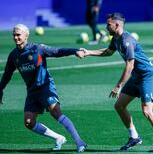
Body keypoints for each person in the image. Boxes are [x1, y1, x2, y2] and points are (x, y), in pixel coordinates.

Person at [82, 13, 153, 152]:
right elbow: (108, 52)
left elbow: (130, 65)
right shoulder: (116, 39)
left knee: (147, 111)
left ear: (117, 25)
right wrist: (88, 52)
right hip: (136, 77)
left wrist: (118, 86)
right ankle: (134, 137)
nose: (106, 27)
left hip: (147, 76)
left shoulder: (126, 40)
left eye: (108, 24)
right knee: (119, 105)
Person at [0, 24, 87, 152]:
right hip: (32, 91)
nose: (15, 38)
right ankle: (59, 138)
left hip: (45, 86)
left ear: (26, 35)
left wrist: (75, 51)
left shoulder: (38, 49)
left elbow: (58, 51)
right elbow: (7, 74)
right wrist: (1, 89)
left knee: (55, 111)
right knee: (29, 122)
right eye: (14, 35)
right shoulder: (14, 55)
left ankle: (80, 142)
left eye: (18, 35)